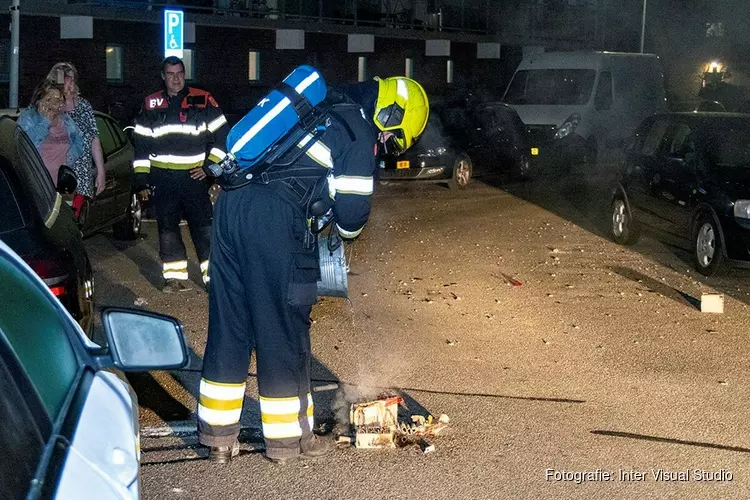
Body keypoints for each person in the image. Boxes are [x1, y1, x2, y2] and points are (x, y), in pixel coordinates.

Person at [197, 74, 429, 463]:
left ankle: (217, 439)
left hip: (230, 207)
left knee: (230, 323)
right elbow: (353, 216)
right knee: (281, 328)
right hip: (274, 221)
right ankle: (288, 442)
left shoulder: (317, 107)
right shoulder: (357, 127)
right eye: (391, 137)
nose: (384, 146)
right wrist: (336, 227)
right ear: (390, 114)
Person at [131, 56, 228, 292]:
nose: (176, 79)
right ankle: (175, 278)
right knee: (167, 228)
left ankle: (212, 277)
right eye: (171, 74)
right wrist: (142, 180)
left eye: (180, 73)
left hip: (194, 178)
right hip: (162, 179)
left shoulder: (203, 100)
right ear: (163, 76)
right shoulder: (151, 104)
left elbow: (224, 137)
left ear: (185, 74)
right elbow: (141, 145)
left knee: (204, 227)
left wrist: (209, 169)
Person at [47, 62, 106, 218]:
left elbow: (94, 139)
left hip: (80, 176)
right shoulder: (50, 108)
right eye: (66, 80)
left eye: (72, 80)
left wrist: (100, 171)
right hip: (57, 176)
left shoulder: (84, 106)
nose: (70, 84)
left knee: (74, 219)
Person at [18, 79, 83, 188]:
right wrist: (45, 122)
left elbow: (79, 139)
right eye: (49, 99)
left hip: (62, 184)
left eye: (57, 100)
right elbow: (24, 146)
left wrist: (70, 158)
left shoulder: (66, 120)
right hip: (37, 185)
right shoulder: (28, 119)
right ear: (39, 101)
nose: (53, 104)